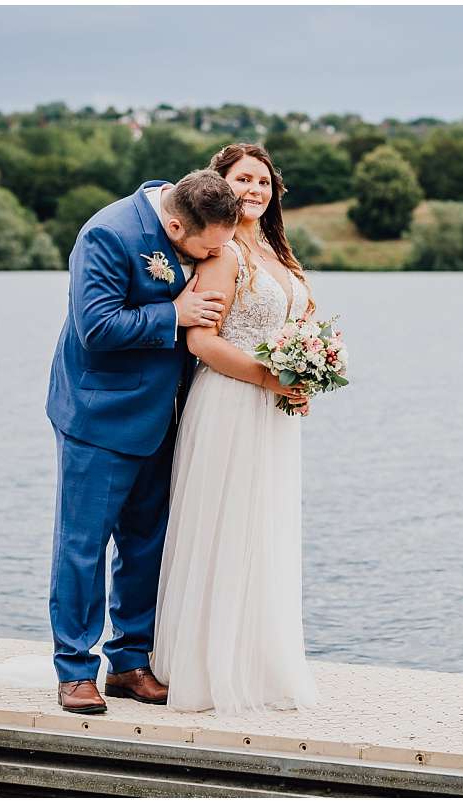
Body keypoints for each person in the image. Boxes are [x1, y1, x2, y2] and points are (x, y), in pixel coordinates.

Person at [45, 170, 243, 714]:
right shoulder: (108, 235)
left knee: (146, 544)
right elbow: (96, 327)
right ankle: (75, 670)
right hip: (100, 416)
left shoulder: (193, 216)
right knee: (83, 547)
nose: (218, 254)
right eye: (210, 247)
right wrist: (172, 314)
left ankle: (130, 662)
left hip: (165, 415)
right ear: (175, 224)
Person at [152, 144, 320, 713]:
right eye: (244, 179)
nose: (255, 190)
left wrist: (307, 373)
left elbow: (297, 327)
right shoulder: (222, 253)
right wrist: (268, 378)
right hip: (229, 402)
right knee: (224, 527)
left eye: (264, 183)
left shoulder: (275, 252)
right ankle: (209, 665)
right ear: (220, 185)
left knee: (264, 529)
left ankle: (259, 660)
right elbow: (201, 341)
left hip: (272, 415)